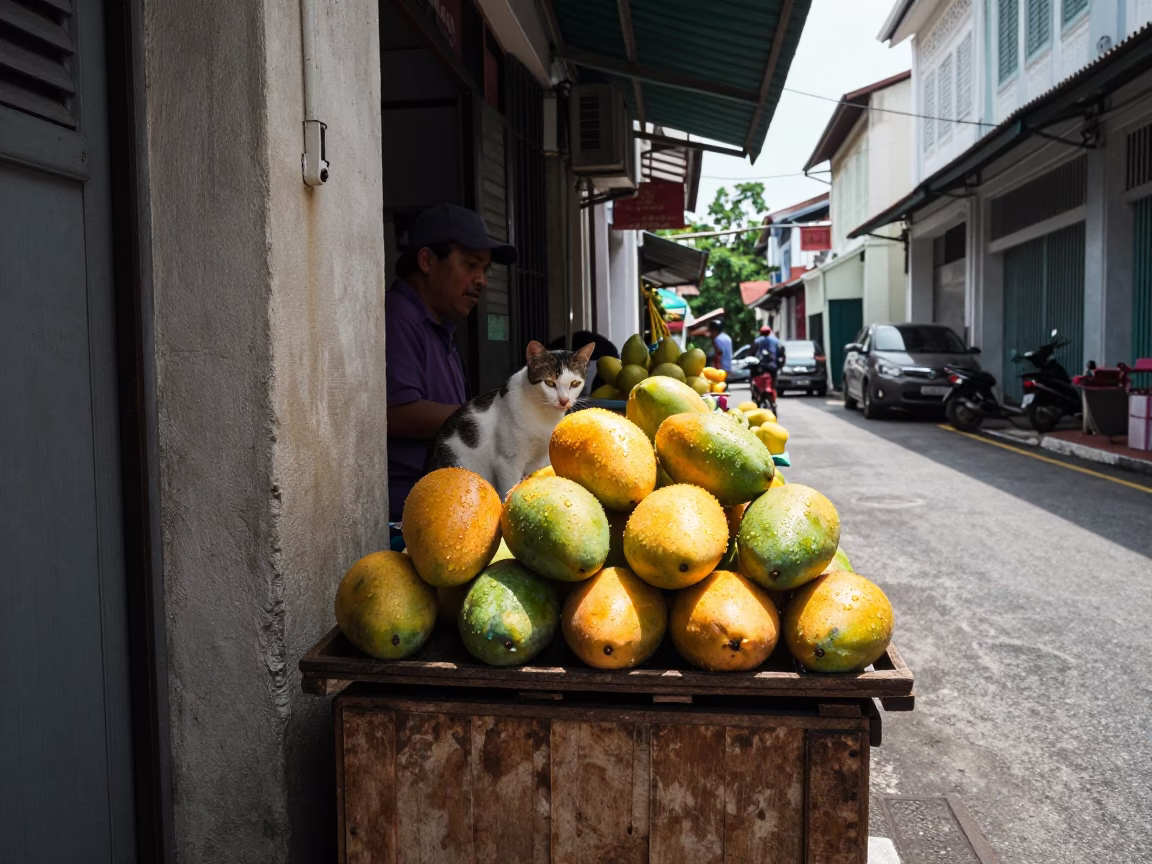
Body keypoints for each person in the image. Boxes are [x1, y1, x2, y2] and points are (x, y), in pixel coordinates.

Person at [386, 204, 517, 521]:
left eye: (485, 270)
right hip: (410, 515)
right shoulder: (399, 317)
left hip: (447, 505)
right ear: (427, 261)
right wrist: (491, 416)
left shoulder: (439, 326)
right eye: (471, 265)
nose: (481, 280)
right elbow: (396, 414)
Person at [753, 325, 785, 390]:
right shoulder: (776, 340)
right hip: (773, 366)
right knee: (773, 380)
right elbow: (781, 351)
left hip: (760, 366)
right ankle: (773, 388)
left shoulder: (757, 341)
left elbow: (752, 352)